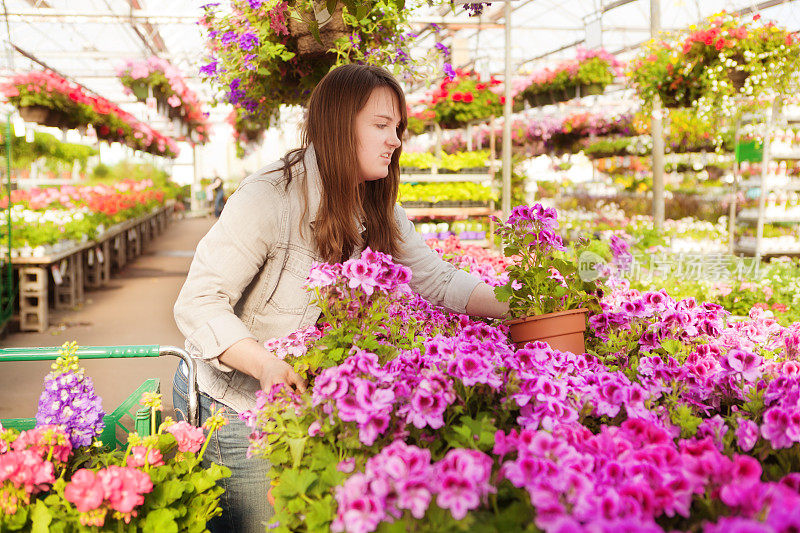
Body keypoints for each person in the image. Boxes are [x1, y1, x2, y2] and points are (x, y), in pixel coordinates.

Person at [172, 64, 509, 533]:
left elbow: (435, 278)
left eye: (397, 128)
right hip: (237, 403)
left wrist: (524, 303)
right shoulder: (268, 196)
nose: (394, 140)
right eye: (380, 125)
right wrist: (266, 365)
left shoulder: (375, 203)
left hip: (305, 400)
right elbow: (199, 301)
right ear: (336, 125)